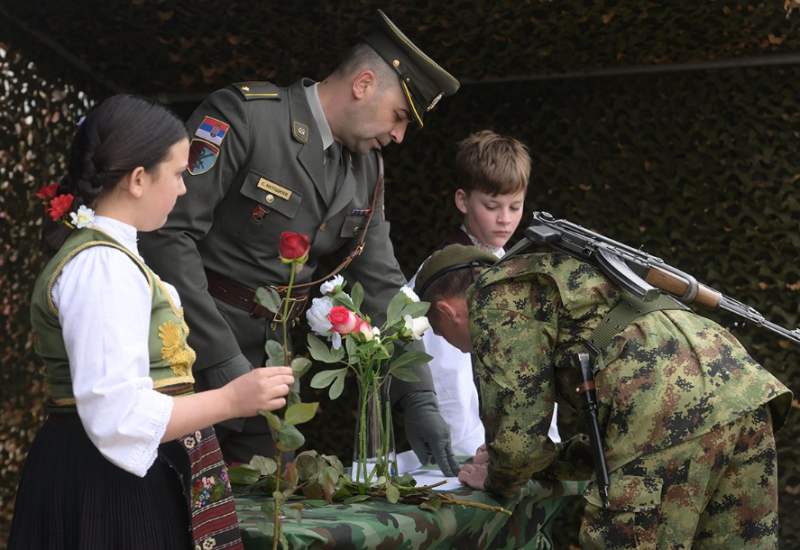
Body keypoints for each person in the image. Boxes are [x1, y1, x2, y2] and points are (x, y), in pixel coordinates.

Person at [138, 10, 461, 474]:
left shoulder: (367, 170)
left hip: (274, 375)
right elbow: (168, 234)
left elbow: (383, 281)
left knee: (262, 522)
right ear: (363, 84)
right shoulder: (245, 117)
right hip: (187, 362)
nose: (399, 135)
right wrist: (221, 357)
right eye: (400, 116)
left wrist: (419, 395)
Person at [9, 95, 294, 550]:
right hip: (106, 485)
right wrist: (231, 399)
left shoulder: (113, 257)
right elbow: (117, 414)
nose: (184, 189)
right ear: (139, 179)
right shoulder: (102, 265)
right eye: (179, 173)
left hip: (113, 473)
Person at [414, 243, 792, 549]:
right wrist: (551, 461)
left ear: (446, 313)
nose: (460, 349)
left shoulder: (493, 296)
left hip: (667, 407)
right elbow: (616, 442)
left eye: (442, 334)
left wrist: (498, 477)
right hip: (743, 389)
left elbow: (516, 447)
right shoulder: (556, 268)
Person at [408, 130, 559, 456]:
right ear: (463, 200)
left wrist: (547, 441)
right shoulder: (443, 276)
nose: (505, 220)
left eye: (515, 206)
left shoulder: (512, 264)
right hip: (472, 451)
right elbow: (446, 376)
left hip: (517, 450)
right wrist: (469, 452)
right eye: (492, 206)